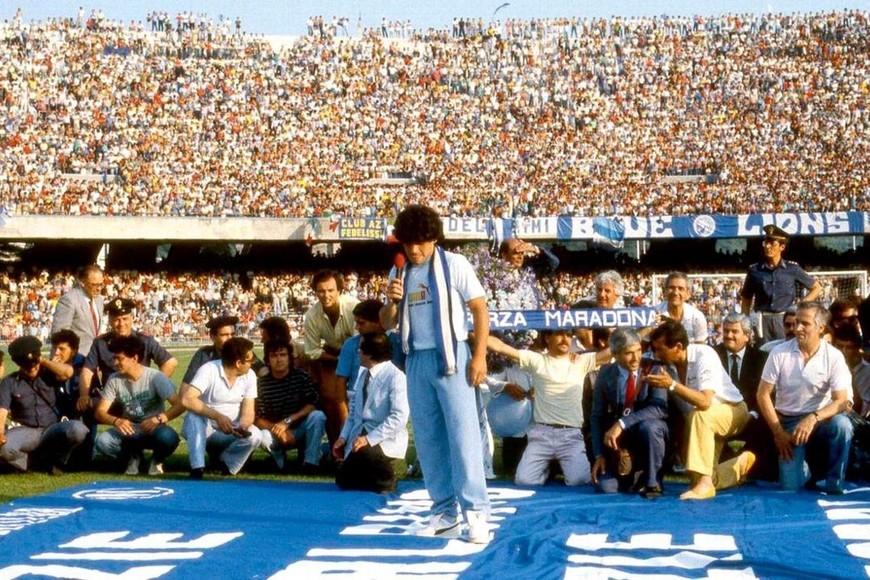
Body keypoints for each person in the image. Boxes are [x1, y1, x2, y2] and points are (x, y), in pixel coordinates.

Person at [381, 204, 491, 544]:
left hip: (452, 356)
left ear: (434, 239)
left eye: (422, 243)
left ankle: (476, 515)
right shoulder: (398, 273)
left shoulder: (454, 264)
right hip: (416, 359)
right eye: (409, 243)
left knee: (463, 436)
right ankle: (444, 514)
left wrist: (480, 355)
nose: (415, 250)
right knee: (428, 440)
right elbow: (387, 324)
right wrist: (391, 303)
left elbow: (479, 308)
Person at [647, 320, 755, 500]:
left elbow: (705, 401)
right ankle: (738, 466)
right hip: (701, 424)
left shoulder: (704, 355)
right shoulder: (666, 365)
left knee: (699, 414)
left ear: (678, 346)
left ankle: (704, 485)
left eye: (660, 349)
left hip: (732, 410)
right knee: (698, 478)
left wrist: (672, 385)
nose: (656, 355)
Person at [488, 329, 609, 487]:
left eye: (568, 335)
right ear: (547, 338)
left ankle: (554, 468)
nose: (565, 339)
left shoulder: (580, 361)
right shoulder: (536, 360)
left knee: (579, 482)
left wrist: (648, 325)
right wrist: (471, 331)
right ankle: (545, 470)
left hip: (570, 436)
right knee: (524, 481)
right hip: (541, 435)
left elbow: (617, 349)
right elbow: (501, 347)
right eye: (559, 334)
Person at [757, 302, 853, 494]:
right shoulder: (779, 353)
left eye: (805, 323)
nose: (798, 328)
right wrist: (778, 432)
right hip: (789, 422)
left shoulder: (833, 356)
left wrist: (813, 418)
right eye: (797, 322)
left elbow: (842, 400)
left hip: (822, 419)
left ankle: (834, 482)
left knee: (842, 425)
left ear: (820, 328)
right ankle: (808, 473)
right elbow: (762, 394)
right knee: (790, 489)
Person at [590, 328, 668, 498]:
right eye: (629, 353)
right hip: (622, 442)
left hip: (648, 434)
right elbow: (597, 416)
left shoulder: (654, 368)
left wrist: (622, 423)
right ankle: (635, 475)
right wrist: (599, 454)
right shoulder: (605, 373)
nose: (636, 358)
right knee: (606, 488)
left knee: (651, 426)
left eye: (639, 350)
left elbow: (658, 408)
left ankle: (653, 482)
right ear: (616, 355)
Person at [94, 335, 184, 475]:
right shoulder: (114, 379)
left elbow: (179, 405)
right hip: (130, 429)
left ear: (134, 358)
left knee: (169, 438)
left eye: (119, 358)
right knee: (103, 442)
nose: (114, 363)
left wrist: (158, 419)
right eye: (114, 358)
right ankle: (133, 457)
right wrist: (116, 421)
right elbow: (100, 411)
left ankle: (157, 460)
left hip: (154, 428)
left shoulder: (155, 377)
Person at [334, 332, 409, 493]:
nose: (358, 352)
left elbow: (399, 418)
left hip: (383, 438)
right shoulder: (363, 374)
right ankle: (369, 474)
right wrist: (343, 438)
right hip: (359, 437)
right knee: (342, 481)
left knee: (366, 454)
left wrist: (368, 439)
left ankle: (387, 478)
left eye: (360, 349)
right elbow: (353, 413)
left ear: (370, 354)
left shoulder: (396, 378)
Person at [0, 336, 89, 473]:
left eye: (34, 365)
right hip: (26, 429)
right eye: (27, 366)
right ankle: (32, 464)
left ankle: (57, 460)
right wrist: (0, 433)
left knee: (78, 429)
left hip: (51, 428)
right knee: (5, 447)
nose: (31, 369)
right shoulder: (9, 382)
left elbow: (68, 372)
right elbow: (2, 411)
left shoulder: (50, 373)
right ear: (18, 363)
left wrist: (41, 360)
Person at [181, 337, 262, 479]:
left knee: (255, 436)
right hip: (204, 428)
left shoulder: (250, 375)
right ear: (238, 363)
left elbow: (248, 410)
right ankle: (197, 468)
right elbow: (187, 399)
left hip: (231, 429)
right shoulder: (209, 370)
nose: (253, 362)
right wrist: (217, 416)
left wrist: (242, 426)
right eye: (250, 359)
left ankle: (227, 465)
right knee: (194, 417)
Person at [713, 313, 776, 481]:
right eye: (726, 331)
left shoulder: (762, 359)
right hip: (721, 414)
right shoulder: (712, 356)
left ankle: (760, 472)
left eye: (734, 331)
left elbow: (768, 394)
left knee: (769, 423)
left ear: (747, 336)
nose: (729, 335)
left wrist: (753, 413)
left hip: (753, 415)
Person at [303, 270, 359, 444]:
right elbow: (311, 351)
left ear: (339, 290)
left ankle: (351, 444)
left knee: (350, 400)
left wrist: (345, 360)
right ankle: (336, 444)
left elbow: (360, 341)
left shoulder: (353, 307)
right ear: (315, 292)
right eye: (321, 291)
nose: (326, 295)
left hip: (358, 354)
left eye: (330, 290)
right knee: (330, 400)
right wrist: (336, 360)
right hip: (332, 355)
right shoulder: (312, 315)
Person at [254, 339, 326, 473]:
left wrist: (288, 421)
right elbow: (258, 418)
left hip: (300, 428)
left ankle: (311, 463)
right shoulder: (261, 384)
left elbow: (314, 404)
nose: (279, 359)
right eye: (274, 356)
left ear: (289, 358)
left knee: (318, 416)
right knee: (262, 436)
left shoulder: (301, 377)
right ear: (268, 360)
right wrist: (278, 429)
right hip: (275, 432)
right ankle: (280, 463)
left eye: (283, 355)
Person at [740, 224, 821, 344]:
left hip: (784, 320)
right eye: (766, 243)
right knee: (763, 355)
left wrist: (800, 306)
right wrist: (745, 325)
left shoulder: (792, 269)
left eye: (772, 244)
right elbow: (746, 301)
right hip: (762, 321)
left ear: (782, 247)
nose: (768, 247)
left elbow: (816, 287)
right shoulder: (755, 271)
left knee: (788, 353)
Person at [336, 299, 404, 400]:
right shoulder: (350, 344)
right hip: (356, 402)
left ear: (378, 322)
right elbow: (340, 384)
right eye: (356, 323)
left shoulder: (397, 343)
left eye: (361, 323)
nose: (357, 327)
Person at [50, 265, 105, 356]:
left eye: (101, 284)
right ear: (82, 282)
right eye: (94, 284)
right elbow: (59, 336)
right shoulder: (69, 300)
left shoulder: (99, 300)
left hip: (93, 359)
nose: (98, 289)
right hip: (74, 361)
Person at [182, 315, 239, 385]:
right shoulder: (204, 355)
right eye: (224, 335)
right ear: (212, 337)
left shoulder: (244, 353)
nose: (230, 338)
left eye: (232, 334)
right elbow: (186, 385)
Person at [654, 272, 708, 344]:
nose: (675, 293)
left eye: (680, 288)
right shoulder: (653, 313)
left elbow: (701, 348)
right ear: (665, 291)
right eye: (671, 288)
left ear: (688, 293)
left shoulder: (697, 317)